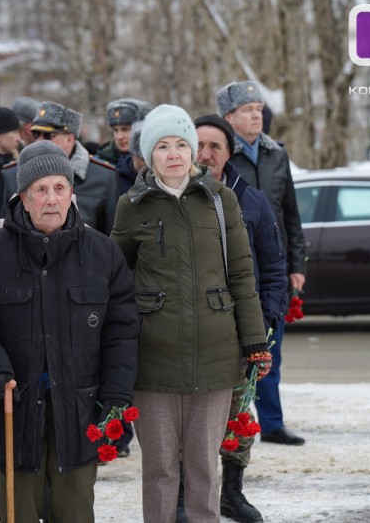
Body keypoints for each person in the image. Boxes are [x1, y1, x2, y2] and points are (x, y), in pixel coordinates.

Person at [0, 140, 139, 522]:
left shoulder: (102, 254)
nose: (51, 199)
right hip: (13, 408)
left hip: (80, 411)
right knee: (17, 512)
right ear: (23, 196)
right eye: (40, 189)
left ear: (71, 193)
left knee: (74, 511)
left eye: (59, 188)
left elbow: (122, 329)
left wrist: (117, 393)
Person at [110, 104, 270, 523]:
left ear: (194, 150)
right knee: (160, 468)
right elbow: (114, 281)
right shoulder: (132, 205)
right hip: (154, 361)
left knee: (203, 466)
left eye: (182, 144)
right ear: (149, 155)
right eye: (163, 146)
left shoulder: (221, 201)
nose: (174, 154)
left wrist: (254, 341)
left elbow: (241, 274)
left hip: (216, 358)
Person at [194, 114, 288, 523]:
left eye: (215, 146)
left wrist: (265, 322)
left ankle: (232, 492)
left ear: (230, 153)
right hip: (189, 332)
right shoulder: (175, 198)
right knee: (189, 420)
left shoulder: (251, 201)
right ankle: (186, 495)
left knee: (237, 417)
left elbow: (272, 268)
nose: (205, 154)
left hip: (238, 334)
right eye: (198, 144)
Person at [217, 80, 307, 446]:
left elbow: (291, 215)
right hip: (231, 269)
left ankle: (270, 422)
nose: (257, 115)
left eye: (259, 109)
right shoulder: (221, 156)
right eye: (248, 110)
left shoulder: (276, 155)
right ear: (229, 117)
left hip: (272, 268)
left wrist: (296, 264)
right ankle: (232, 422)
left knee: (271, 349)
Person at [3, 101, 119, 235]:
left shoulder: (104, 176)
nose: (39, 141)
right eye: (36, 134)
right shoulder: (11, 173)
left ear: (69, 139)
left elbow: (110, 235)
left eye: (47, 135)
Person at [95, 98, 152, 166]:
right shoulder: (101, 160)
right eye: (115, 130)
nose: (119, 137)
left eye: (125, 129)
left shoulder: (156, 160)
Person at [115, 120, 145, 196]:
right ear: (133, 155)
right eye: (143, 159)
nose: (119, 137)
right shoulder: (115, 181)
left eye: (125, 129)